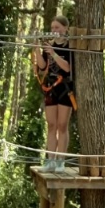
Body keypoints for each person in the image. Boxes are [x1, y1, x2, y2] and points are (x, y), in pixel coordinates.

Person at [32, 15, 76, 171]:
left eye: (57, 27)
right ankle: (50, 160)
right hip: (51, 88)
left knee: (62, 126)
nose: (54, 30)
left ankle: (60, 161)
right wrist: (37, 50)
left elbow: (67, 68)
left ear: (65, 28)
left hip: (65, 88)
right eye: (52, 28)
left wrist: (54, 53)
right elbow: (43, 66)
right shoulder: (48, 45)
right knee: (51, 125)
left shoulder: (70, 46)